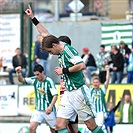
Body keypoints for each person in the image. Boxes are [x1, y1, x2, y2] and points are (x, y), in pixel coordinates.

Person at [25, 5, 104, 133]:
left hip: (79, 91)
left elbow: (81, 65)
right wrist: (33, 18)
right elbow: (44, 33)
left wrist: (64, 70)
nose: (51, 54)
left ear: (54, 45)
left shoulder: (68, 51)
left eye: (50, 51)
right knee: (59, 126)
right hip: (68, 93)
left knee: (91, 126)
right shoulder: (57, 44)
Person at [15, 64, 58, 133]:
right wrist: (18, 73)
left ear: (42, 72)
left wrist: (50, 107)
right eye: (35, 74)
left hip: (49, 110)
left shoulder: (49, 81)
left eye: (38, 74)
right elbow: (22, 80)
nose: (37, 76)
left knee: (53, 130)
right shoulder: (34, 79)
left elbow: (55, 95)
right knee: (32, 128)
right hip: (38, 109)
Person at [58, 35, 81, 133]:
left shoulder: (69, 58)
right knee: (67, 127)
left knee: (70, 128)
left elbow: (80, 66)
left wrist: (64, 70)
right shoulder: (62, 59)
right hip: (65, 97)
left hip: (71, 96)